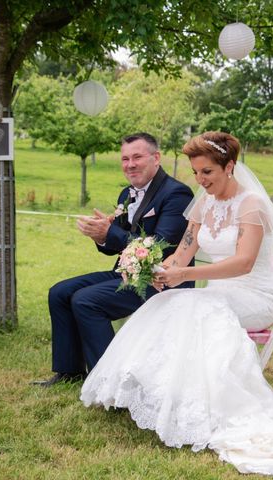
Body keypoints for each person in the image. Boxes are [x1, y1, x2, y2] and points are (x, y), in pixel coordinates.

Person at [80, 132, 273, 475]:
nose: (201, 181)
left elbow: (244, 263)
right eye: (196, 172)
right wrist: (158, 269)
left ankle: (208, 407)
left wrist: (185, 273)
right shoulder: (204, 204)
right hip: (218, 295)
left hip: (255, 296)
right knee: (164, 304)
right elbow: (184, 251)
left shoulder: (252, 206)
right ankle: (160, 397)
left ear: (229, 167)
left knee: (195, 306)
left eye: (208, 173)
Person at [33, 133, 194, 387]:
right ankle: (70, 371)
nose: (130, 164)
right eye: (125, 158)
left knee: (86, 300)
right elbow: (116, 245)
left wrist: (112, 233)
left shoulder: (177, 194)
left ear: (156, 158)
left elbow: (159, 248)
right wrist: (101, 236)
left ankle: (109, 382)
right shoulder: (126, 195)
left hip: (162, 280)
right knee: (60, 292)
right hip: (128, 274)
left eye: (137, 157)